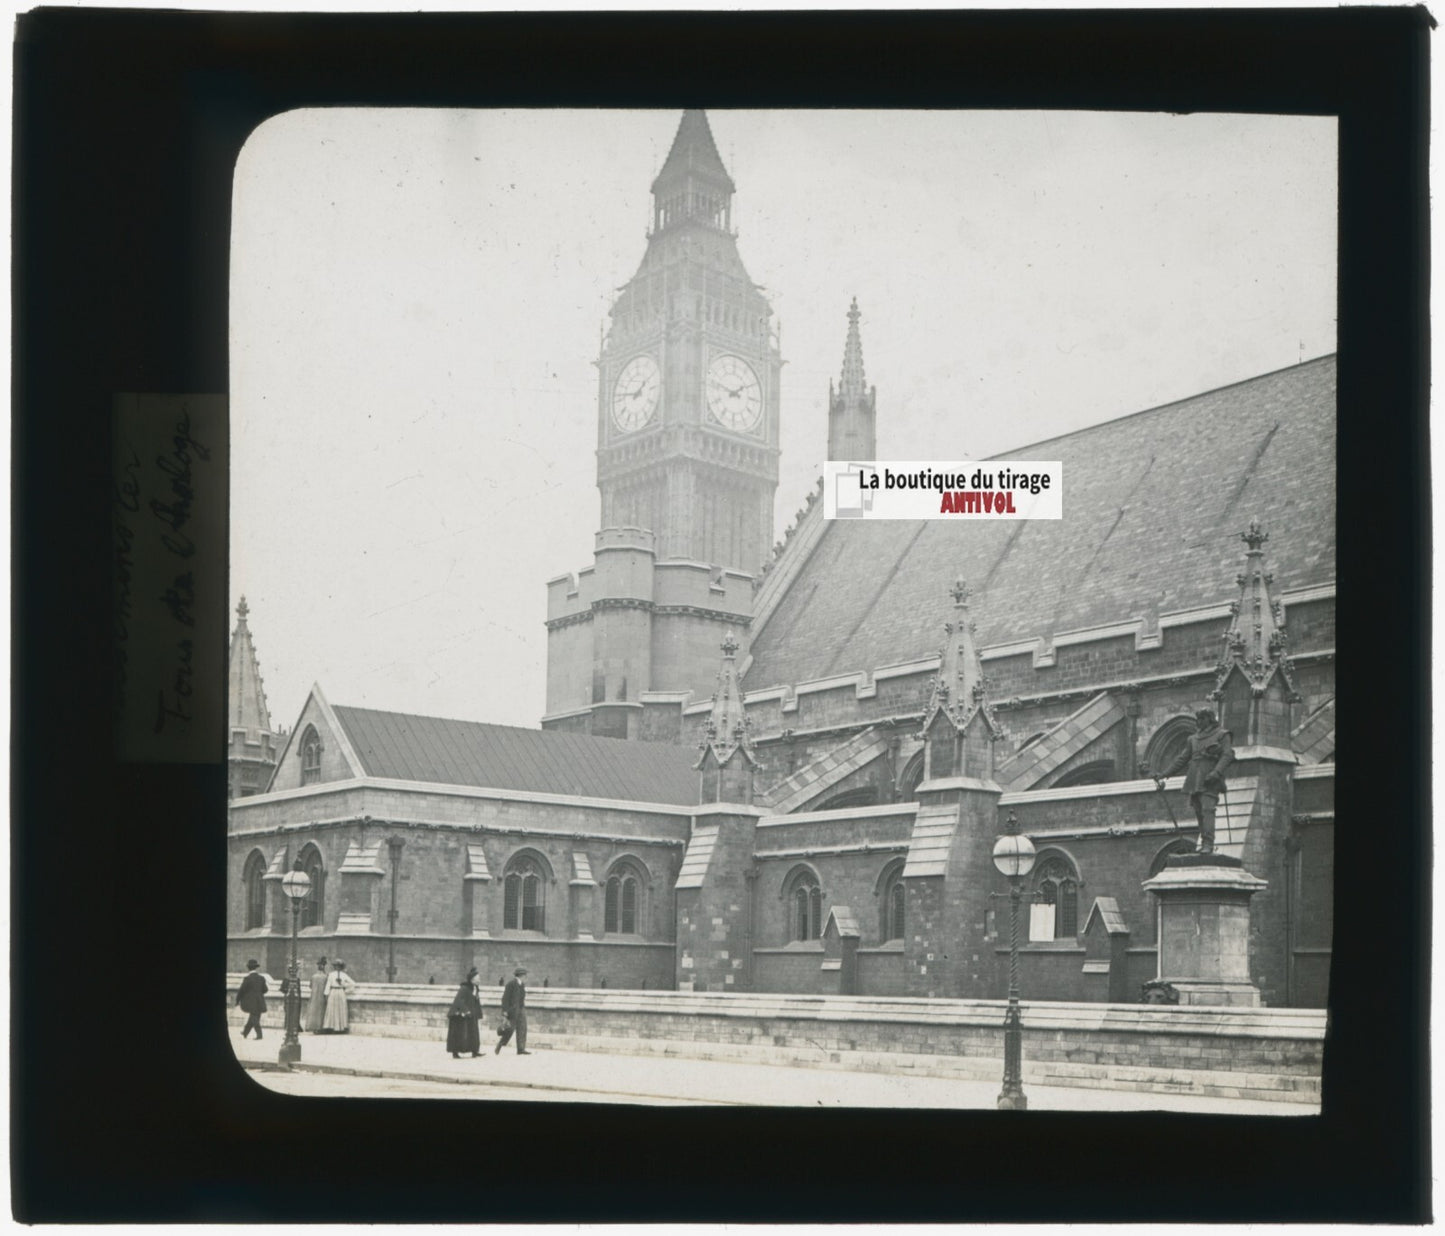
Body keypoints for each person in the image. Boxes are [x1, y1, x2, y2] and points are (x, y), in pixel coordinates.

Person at [1154, 707, 1235, 855]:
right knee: (1199, 812)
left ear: (1209, 719)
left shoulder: (1222, 734)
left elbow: (1228, 755)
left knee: (1208, 810)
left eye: (1201, 719)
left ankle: (1208, 844)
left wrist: (1216, 772)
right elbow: (1182, 759)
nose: (1198, 722)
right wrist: (1164, 774)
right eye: (1197, 719)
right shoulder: (1193, 739)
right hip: (1194, 778)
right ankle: (1204, 842)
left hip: (1210, 779)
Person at [446, 966, 483, 1058]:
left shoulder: (475, 988)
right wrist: (466, 1011)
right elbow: (459, 1001)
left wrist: (477, 1013)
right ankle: (455, 1052)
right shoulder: (464, 989)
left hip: (471, 1014)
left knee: (473, 1032)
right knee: (460, 1033)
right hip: (460, 1015)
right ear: (472, 980)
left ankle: (474, 1051)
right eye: (478, 978)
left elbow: (475, 1002)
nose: (479, 980)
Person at [494, 966, 530, 1054]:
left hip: (521, 1009)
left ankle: (521, 1049)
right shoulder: (511, 984)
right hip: (512, 1011)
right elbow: (505, 999)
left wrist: (522, 1008)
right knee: (510, 1029)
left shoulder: (522, 985)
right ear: (521, 976)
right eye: (526, 976)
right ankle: (500, 1044)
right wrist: (505, 1012)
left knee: (522, 1028)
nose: (527, 978)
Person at [236, 959, 269, 1039]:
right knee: (254, 1017)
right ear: (256, 968)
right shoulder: (261, 978)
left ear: (248, 968)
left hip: (251, 1002)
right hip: (260, 1001)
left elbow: (242, 990)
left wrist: (237, 1000)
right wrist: (258, 994)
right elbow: (265, 989)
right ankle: (245, 1032)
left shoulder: (247, 979)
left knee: (254, 1019)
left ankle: (259, 1035)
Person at [322, 959, 357, 1033]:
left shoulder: (341, 975)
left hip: (338, 992)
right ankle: (332, 1027)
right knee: (333, 1009)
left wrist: (344, 986)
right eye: (336, 966)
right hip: (335, 992)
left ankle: (339, 1027)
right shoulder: (333, 975)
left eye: (338, 966)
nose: (337, 967)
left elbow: (353, 983)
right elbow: (328, 985)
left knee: (339, 1008)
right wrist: (326, 994)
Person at [304, 956, 329, 1033]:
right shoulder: (326, 977)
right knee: (321, 1012)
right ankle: (320, 1028)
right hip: (322, 996)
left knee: (313, 1011)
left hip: (314, 996)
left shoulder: (313, 976)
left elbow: (310, 986)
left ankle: (313, 1027)